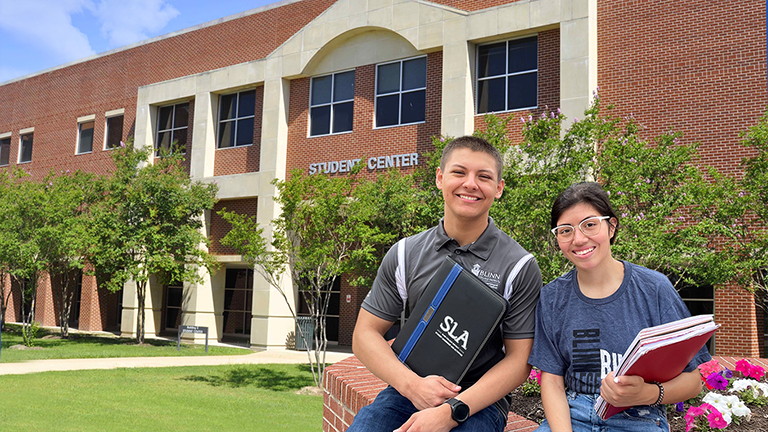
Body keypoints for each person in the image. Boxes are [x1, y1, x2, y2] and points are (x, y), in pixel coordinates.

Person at [348, 136, 543, 432]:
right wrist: (411, 385)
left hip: (478, 400)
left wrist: (451, 411)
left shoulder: (520, 265)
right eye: (459, 172)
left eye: (484, 177)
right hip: (410, 390)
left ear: (499, 189)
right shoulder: (405, 253)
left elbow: (519, 361)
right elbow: (364, 334)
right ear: (440, 178)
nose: (470, 184)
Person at [529, 182, 711, 432]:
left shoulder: (654, 289)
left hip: (640, 415)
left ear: (611, 226)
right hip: (573, 415)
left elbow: (694, 382)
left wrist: (646, 393)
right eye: (565, 230)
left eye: (590, 224)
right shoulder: (552, 297)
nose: (579, 238)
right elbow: (552, 382)